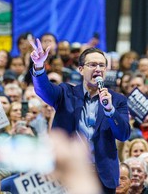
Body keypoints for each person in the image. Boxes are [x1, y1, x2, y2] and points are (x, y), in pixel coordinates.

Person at [29, 38, 131, 193]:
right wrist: (39, 66)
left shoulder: (117, 100)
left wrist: (110, 110)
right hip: (68, 173)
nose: (98, 69)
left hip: (103, 177)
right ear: (81, 69)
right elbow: (43, 90)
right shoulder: (65, 93)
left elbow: (123, 134)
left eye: (102, 65)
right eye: (92, 65)